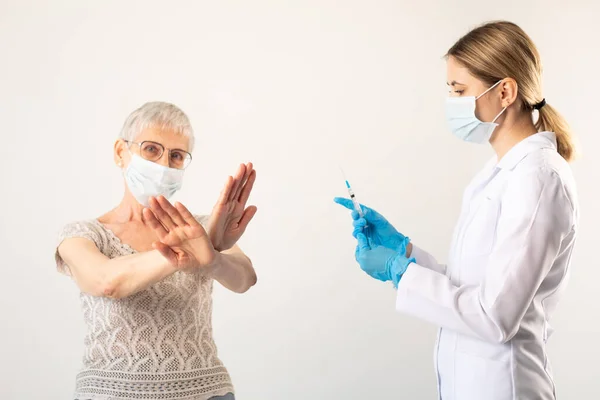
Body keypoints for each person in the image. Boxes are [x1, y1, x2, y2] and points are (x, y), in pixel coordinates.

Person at [335, 21, 579, 400]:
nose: (453, 104)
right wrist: (406, 254)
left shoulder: (538, 177)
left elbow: (495, 316)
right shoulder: (496, 175)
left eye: (460, 91)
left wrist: (400, 273)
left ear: (505, 92)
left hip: (508, 386)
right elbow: (473, 286)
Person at [55, 101, 258, 400]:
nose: (164, 164)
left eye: (176, 156)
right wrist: (183, 253)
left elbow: (245, 279)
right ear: (121, 152)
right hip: (110, 394)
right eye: (151, 149)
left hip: (206, 391)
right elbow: (106, 282)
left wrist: (211, 257)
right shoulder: (82, 234)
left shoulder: (204, 228)